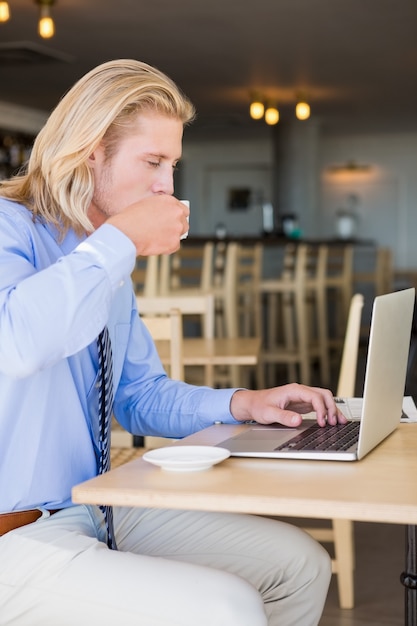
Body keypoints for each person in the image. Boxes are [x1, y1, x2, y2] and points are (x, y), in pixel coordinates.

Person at [0, 59, 346, 626]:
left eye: (174, 165)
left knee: (300, 565)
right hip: (15, 530)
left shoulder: (102, 257)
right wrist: (120, 241)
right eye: (153, 162)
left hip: (90, 505)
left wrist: (243, 404)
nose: (167, 185)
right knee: (227, 609)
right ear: (92, 151)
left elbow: (138, 393)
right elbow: (17, 342)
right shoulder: (13, 228)